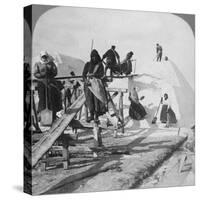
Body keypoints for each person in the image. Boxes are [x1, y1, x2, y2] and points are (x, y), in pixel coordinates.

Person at [34, 51, 63, 122]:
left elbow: (55, 72)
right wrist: (41, 75)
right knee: (43, 99)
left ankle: (53, 116)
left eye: (45, 57)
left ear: (47, 57)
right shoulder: (37, 64)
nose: (44, 58)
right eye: (43, 57)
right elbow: (35, 73)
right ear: (41, 57)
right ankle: (42, 117)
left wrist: (50, 73)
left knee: (51, 98)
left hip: (50, 82)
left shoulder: (51, 63)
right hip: (42, 83)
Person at [82, 49, 107, 122]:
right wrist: (85, 80)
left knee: (97, 100)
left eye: (95, 56)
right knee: (89, 99)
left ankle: (96, 115)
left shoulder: (100, 65)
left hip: (97, 84)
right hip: (89, 85)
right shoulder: (88, 64)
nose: (94, 58)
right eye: (92, 57)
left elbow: (102, 74)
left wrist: (94, 75)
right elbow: (83, 74)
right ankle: (91, 115)